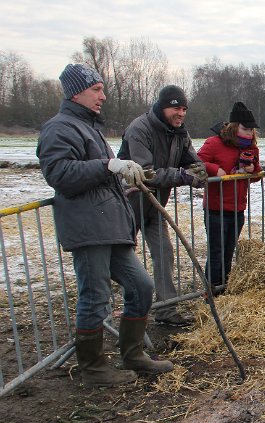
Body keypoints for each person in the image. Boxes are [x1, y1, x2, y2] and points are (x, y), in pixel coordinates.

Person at [36, 64, 173, 387]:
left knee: (141, 286)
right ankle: (94, 368)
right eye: (96, 89)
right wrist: (108, 165)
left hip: (110, 227)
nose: (103, 95)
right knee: (95, 296)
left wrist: (121, 175)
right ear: (75, 92)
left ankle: (133, 354)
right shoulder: (59, 128)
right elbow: (59, 175)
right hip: (87, 229)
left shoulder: (88, 127)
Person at [117, 85, 208, 327]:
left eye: (184, 109)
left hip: (154, 204)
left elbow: (192, 160)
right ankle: (105, 312)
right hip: (127, 203)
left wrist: (199, 170)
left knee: (164, 252)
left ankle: (166, 310)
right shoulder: (139, 129)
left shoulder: (179, 132)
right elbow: (144, 173)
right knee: (116, 259)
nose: (181, 113)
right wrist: (181, 176)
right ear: (163, 107)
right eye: (176, 108)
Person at [197, 102, 262, 289]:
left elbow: (255, 175)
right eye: (245, 129)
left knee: (228, 250)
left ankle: (224, 286)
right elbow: (197, 160)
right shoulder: (214, 143)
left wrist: (253, 169)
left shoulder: (250, 147)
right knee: (216, 251)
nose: (249, 133)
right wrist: (214, 169)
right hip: (216, 209)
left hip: (237, 209)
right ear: (234, 127)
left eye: (251, 130)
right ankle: (212, 289)